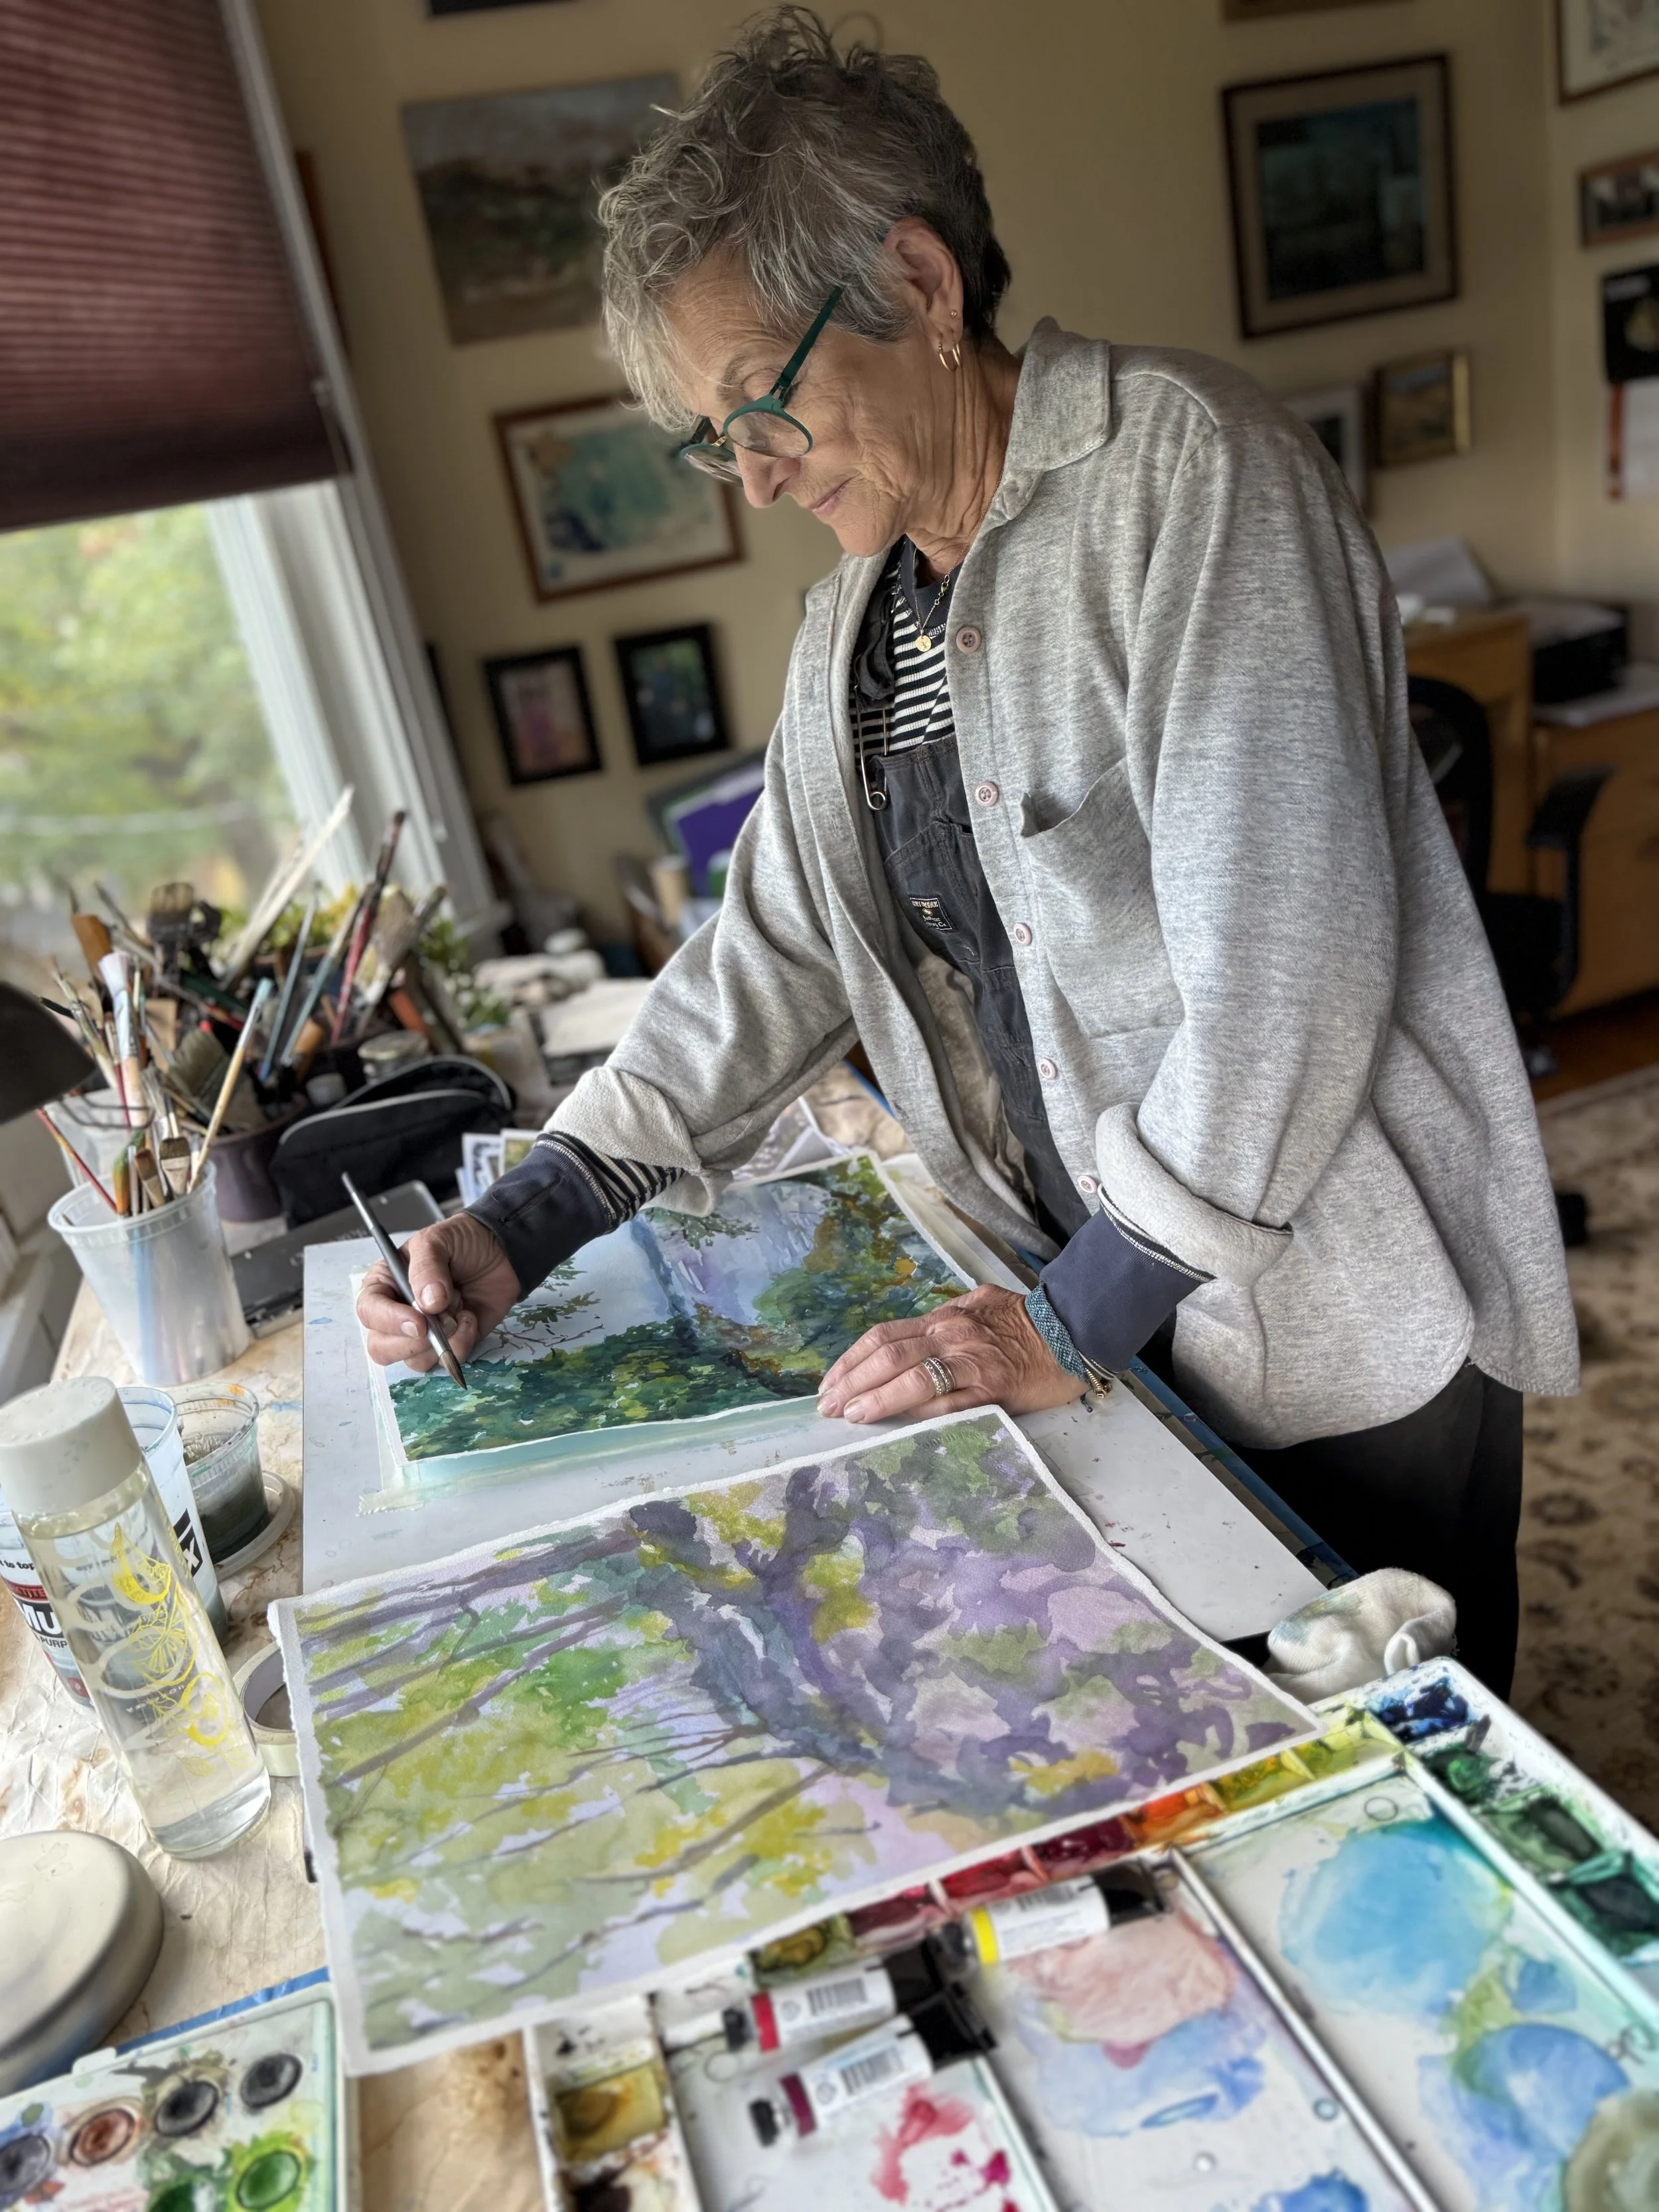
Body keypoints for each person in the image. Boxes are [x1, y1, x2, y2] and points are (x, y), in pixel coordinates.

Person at [358, 8, 1576, 1691]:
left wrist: (1059, 1321)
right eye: (710, 439)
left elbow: (1285, 987)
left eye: (758, 406)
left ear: (919, 289)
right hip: (1087, 1312)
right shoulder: (853, 623)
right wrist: (538, 1210)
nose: (751, 475)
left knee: (1402, 1764)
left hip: (1315, 1317)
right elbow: (764, 955)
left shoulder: (1188, 479)